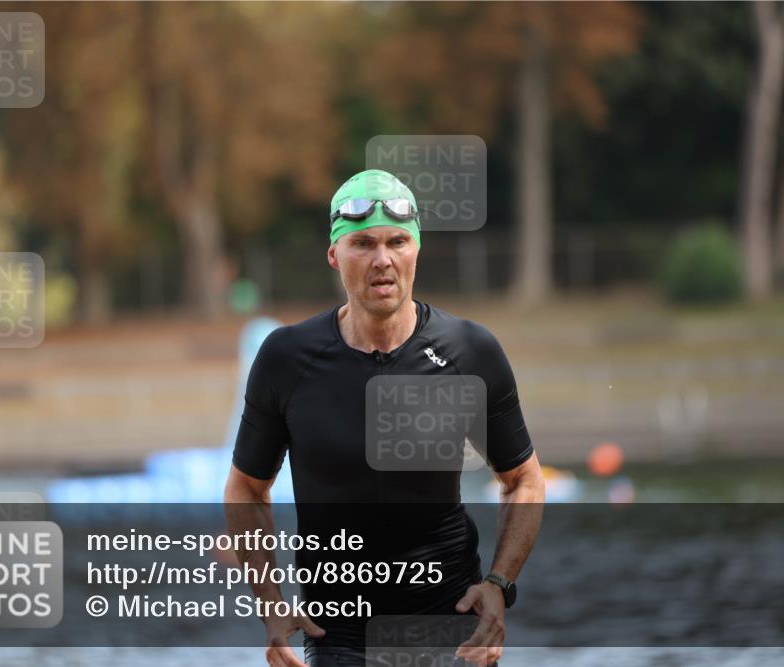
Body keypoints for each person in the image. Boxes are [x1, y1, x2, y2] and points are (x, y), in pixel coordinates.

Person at [225, 169, 545, 667]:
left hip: (452, 624)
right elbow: (246, 488)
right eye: (363, 244)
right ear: (334, 254)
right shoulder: (288, 359)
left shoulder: (469, 352)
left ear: (416, 249)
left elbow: (523, 479)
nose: (383, 260)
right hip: (340, 633)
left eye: (397, 241)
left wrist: (500, 584)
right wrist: (270, 603)